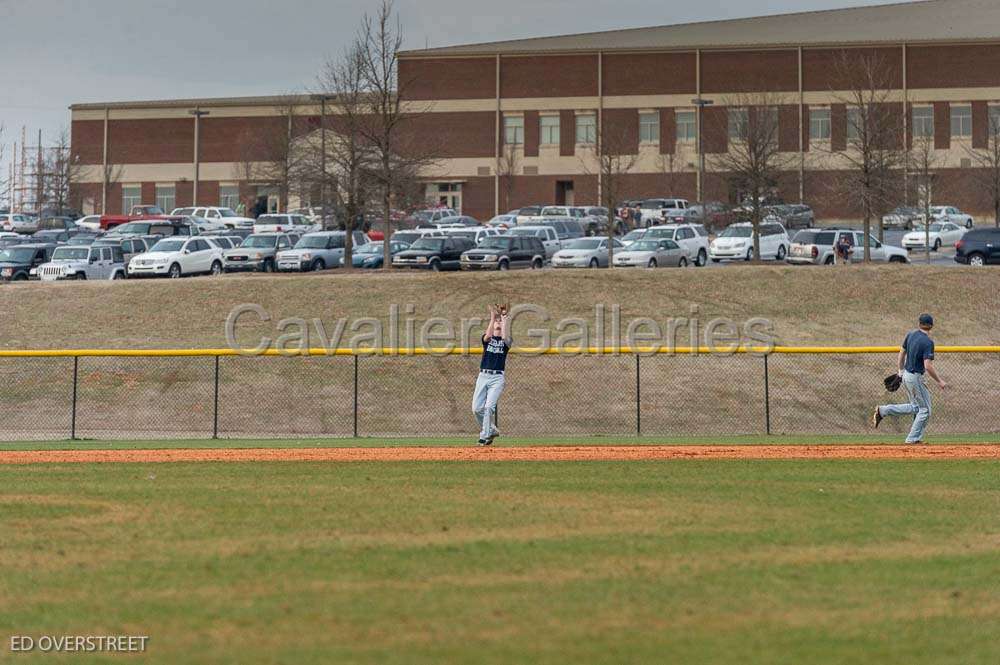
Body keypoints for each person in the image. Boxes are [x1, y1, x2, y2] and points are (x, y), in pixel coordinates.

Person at [872, 313, 949, 443]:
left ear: (919, 324)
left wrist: (900, 371)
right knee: (925, 410)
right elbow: (928, 366)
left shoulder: (910, 335)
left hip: (907, 375)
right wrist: (939, 381)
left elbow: (901, 354)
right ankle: (912, 439)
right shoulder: (928, 342)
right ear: (931, 326)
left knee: (916, 407)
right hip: (915, 377)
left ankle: (883, 410)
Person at [472, 303, 512, 446]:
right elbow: (488, 336)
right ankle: (492, 429)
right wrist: (492, 317)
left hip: (497, 378)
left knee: (489, 407)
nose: (498, 324)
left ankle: (484, 436)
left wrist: (504, 318)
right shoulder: (487, 339)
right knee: (476, 408)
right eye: (497, 323)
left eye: (499, 323)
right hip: (483, 376)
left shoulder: (506, 342)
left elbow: (506, 335)